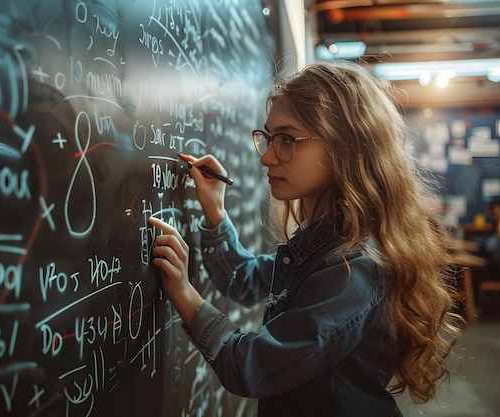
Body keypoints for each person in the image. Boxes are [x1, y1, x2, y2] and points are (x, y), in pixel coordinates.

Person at [148, 60, 463, 417]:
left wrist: (185, 295)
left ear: (345, 146)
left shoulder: (353, 267)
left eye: (286, 139)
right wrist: (215, 213)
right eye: (267, 138)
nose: (267, 157)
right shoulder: (322, 245)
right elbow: (242, 279)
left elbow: (251, 366)